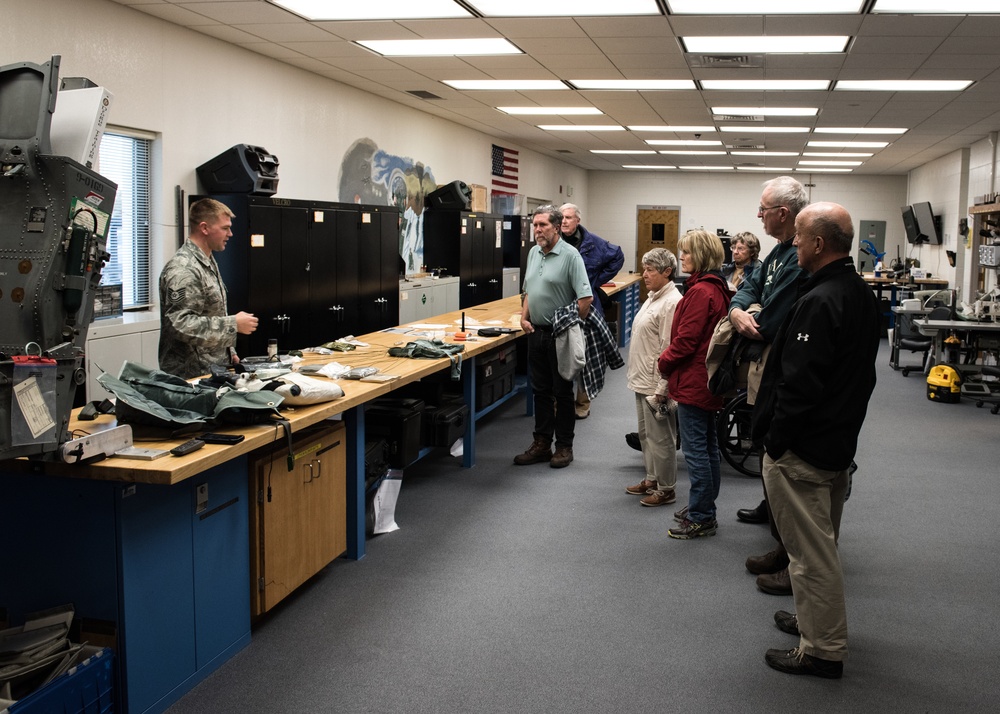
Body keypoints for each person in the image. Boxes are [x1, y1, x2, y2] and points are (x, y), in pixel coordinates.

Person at [752, 201, 880, 678]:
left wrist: (776, 441)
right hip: (836, 442)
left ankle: (822, 650)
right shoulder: (858, 292)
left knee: (810, 556)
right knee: (820, 544)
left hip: (804, 451)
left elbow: (799, 385)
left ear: (820, 244)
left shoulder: (821, 300)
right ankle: (812, 622)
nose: (795, 245)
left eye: (800, 238)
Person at [729, 177, 809, 596]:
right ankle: (772, 509)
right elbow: (749, 288)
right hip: (764, 363)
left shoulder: (797, 256)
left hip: (780, 364)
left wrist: (750, 313)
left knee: (778, 448)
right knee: (763, 440)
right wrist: (738, 310)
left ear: (783, 213)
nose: (758, 215)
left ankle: (787, 546)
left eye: (763, 209)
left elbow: (771, 319)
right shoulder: (777, 251)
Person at [656, 230, 731, 538]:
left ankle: (701, 516)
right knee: (708, 448)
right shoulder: (716, 287)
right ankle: (705, 508)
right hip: (705, 380)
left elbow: (686, 341)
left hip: (694, 381)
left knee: (696, 451)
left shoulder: (701, 292)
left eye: (686, 252)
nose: (681, 257)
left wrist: (663, 362)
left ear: (701, 255)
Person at [514, 205, 593, 469]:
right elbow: (528, 290)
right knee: (540, 392)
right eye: (535, 225)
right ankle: (541, 444)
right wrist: (524, 317)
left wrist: (567, 326)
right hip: (535, 333)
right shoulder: (533, 252)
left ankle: (564, 447)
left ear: (557, 227)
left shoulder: (571, 256)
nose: (537, 230)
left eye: (543, 225)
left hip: (560, 336)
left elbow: (585, 299)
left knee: (562, 393)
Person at [159, 198, 258, 379]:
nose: (230, 234)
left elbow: (212, 312)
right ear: (204, 228)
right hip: (191, 376)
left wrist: (229, 351)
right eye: (225, 228)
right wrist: (233, 324)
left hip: (212, 369)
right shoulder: (184, 269)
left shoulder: (207, 261)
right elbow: (180, 324)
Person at [624, 249, 682, 507]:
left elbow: (668, 347)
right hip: (642, 379)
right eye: (644, 268)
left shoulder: (672, 302)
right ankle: (652, 479)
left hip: (655, 383)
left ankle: (666, 488)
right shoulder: (653, 297)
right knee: (646, 435)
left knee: (662, 438)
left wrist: (663, 386)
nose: (644, 274)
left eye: (650, 270)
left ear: (667, 272)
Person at [559, 203, 624, 419]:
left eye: (568, 217)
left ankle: (582, 403)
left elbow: (617, 256)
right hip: (561, 306)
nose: (564, 221)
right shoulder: (554, 242)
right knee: (561, 356)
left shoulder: (593, 243)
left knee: (586, 356)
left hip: (587, 305)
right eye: (561, 217)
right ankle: (561, 402)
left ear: (577, 220)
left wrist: (595, 280)